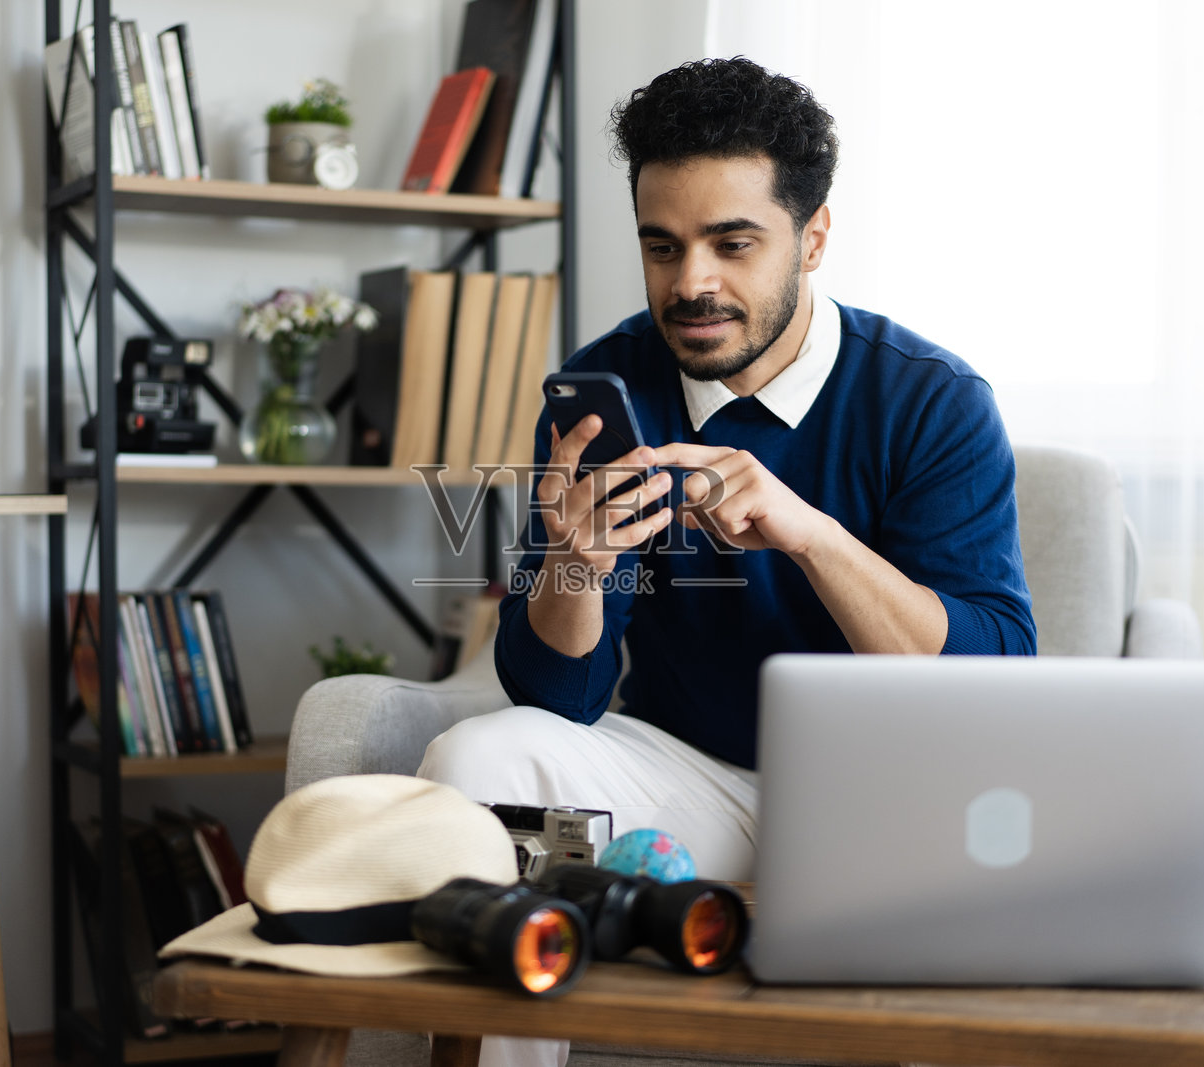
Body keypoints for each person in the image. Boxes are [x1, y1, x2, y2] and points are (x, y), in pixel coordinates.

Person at [419, 56, 1035, 1067]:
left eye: (730, 243)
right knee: (480, 757)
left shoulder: (931, 399)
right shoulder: (603, 393)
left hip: (881, 803)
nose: (690, 282)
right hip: (690, 779)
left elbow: (992, 675)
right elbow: (552, 699)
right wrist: (575, 567)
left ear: (815, 235)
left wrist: (812, 533)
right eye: (661, 247)